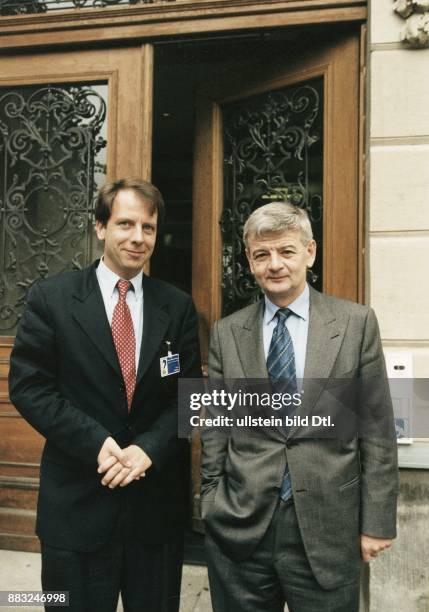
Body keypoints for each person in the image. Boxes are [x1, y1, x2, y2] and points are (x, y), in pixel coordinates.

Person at [9, 178, 201, 612]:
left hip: (155, 516)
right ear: (100, 228)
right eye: (125, 224)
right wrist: (97, 443)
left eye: (148, 227)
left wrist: (147, 450)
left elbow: (191, 396)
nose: (138, 237)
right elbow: (29, 386)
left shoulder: (178, 307)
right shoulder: (52, 299)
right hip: (76, 508)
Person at [201, 202, 398, 612]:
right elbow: (216, 426)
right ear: (250, 262)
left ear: (310, 253)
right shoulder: (227, 332)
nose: (274, 264)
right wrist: (211, 501)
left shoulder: (355, 324)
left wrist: (377, 522)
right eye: (262, 254)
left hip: (330, 530)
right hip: (241, 528)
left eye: (286, 251)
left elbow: (377, 427)